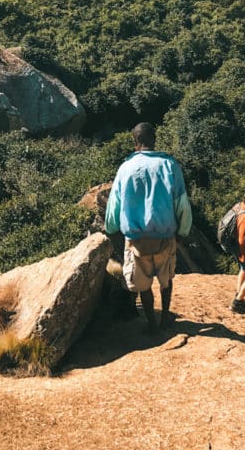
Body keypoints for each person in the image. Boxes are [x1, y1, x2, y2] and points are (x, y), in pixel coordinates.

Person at [105, 122, 192, 333]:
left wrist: (112, 227)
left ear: (135, 142)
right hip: (165, 236)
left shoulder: (125, 168)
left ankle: (152, 325)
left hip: (136, 240)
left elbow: (114, 204)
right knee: (166, 280)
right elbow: (182, 203)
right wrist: (182, 232)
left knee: (143, 285)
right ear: (154, 140)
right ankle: (164, 320)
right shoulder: (170, 165)